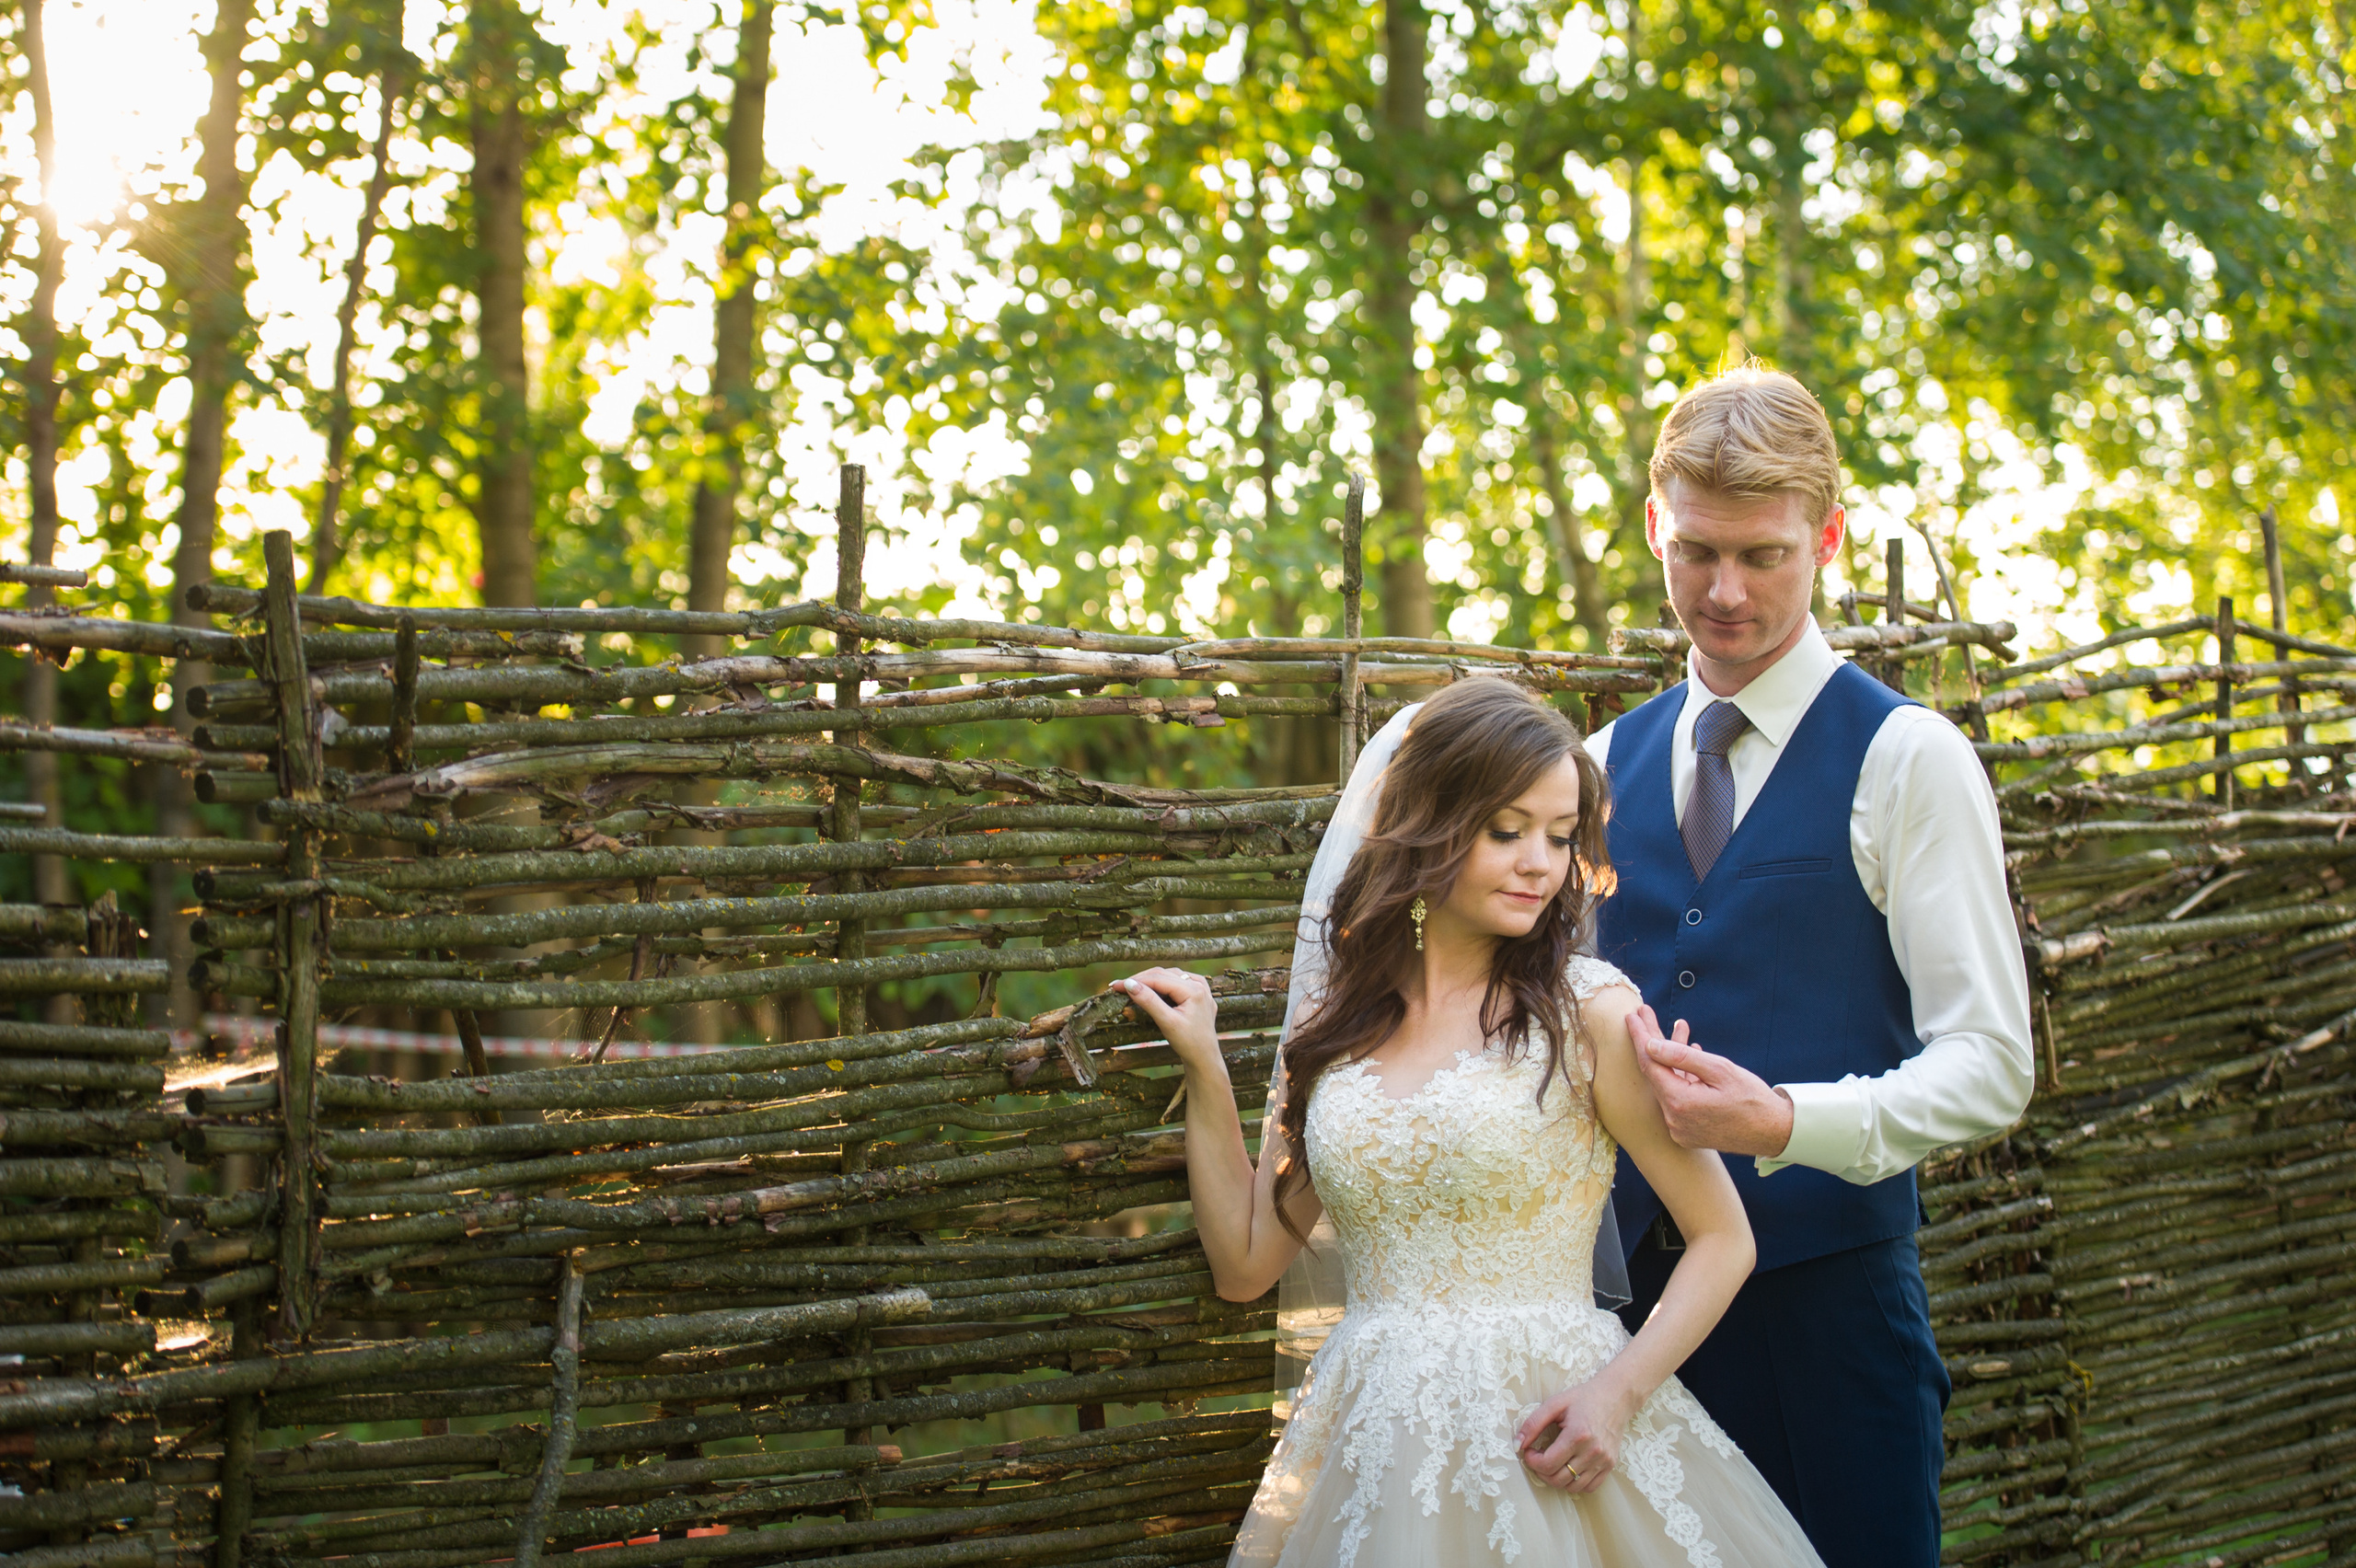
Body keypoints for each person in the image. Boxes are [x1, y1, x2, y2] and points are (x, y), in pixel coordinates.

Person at [1121, 676, 1827, 1568]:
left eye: (1561, 836)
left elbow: (1724, 1239)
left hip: (1552, 1432)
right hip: (1370, 1449)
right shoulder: (1335, 1032)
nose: (1541, 862)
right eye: (1507, 831)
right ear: (1428, 825)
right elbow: (1246, 1260)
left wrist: (1614, 1396)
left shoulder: (1589, 1015)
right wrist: (1205, 1064)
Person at [1588, 366, 2036, 1568]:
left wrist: (1785, 1120)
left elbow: (1993, 1067)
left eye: (1765, 556)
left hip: (1829, 1333)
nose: (1725, 593)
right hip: (1615, 1333)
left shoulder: (1909, 760)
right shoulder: (1587, 769)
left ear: (1827, 539)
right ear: (1652, 526)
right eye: (1696, 551)